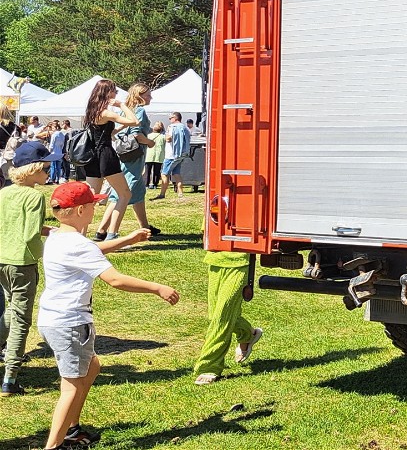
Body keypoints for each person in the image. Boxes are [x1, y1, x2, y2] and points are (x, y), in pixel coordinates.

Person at [37, 181, 178, 450]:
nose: (97, 206)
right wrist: (157, 288)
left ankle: (72, 429)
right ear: (80, 210)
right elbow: (114, 280)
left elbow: (91, 251)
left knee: (92, 367)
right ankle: (54, 445)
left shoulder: (58, 236)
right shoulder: (78, 245)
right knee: (72, 387)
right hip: (71, 324)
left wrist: (127, 240)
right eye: (93, 204)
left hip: (51, 319)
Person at [0, 141, 54, 396]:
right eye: (45, 168)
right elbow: (31, 234)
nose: (48, 173)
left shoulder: (4, 193)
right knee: (22, 318)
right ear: (32, 170)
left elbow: (13, 223)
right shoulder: (35, 196)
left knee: (11, 308)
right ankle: (10, 377)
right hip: (22, 262)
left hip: (1, 259)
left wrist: (48, 230)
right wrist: (45, 253)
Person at [94, 83, 159, 239]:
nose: (151, 97)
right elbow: (137, 135)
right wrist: (150, 143)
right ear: (140, 96)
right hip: (134, 156)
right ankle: (106, 231)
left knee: (138, 191)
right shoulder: (140, 110)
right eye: (148, 95)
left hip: (126, 154)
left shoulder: (127, 110)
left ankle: (144, 227)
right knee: (122, 193)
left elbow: (120, 128)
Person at [80, 79, 138, 241]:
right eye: (115, 91)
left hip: (92, 157)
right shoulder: (106, 112)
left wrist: (118, 126)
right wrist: (122, 106)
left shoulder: (92, 111)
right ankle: (112, 234)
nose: (116, 94)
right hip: (105, 155)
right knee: (125, 194)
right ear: (108, 93)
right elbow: (134, 121)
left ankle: (81, 235)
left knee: (90, 198)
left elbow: (105, 134)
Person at [193, 251, 263, 385]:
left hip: (240, 263)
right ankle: (248, 335)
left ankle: (209, 366)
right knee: (216, 315)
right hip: (214, 261)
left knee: (222, 316)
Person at [158, 113, 191, 199]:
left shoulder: (172, 127)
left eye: (170, 118)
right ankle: (180, 193)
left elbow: (169, 139)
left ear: (175, 118)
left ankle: (162, 194)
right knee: (176, 174)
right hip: (180, 154)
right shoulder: (185, 128)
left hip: (171, 155)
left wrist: (164, 135)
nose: (169, 119)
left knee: (164, 174)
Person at [144, 122, 166, 195]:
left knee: (147, 171)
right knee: (157, 171)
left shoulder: (148, 136)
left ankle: (146, 184)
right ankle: (155, 184)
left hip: (149, 155)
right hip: (159, 156)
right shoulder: (163, 136)